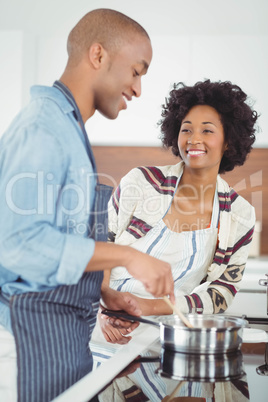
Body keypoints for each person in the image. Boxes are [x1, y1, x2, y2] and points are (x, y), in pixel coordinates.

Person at [0, 8, 175, 402]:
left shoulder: (67, 128)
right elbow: (19, 245)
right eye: (136, 70)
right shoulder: (43, 128)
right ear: (98, 55)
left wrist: (99, 290)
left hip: (58, 338)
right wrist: (127, 255)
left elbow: (59, 237)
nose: (138, 88)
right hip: (29, 342)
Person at [91, 79, 258, 350]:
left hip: (170, 337)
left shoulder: (239, 216)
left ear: (228, 140)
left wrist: (145, 307)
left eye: (207, 130)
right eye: (186, 129)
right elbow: (100, 247)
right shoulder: (142, 181)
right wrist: (105, 300)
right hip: (104, 327)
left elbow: (220, 292)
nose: (194, 139)